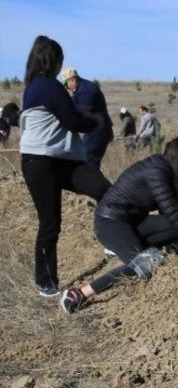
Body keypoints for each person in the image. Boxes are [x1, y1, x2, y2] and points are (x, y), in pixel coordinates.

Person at [59, 136, 178, 312]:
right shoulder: (156, 171)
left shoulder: (166, 169)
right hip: (110, 223)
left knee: (177, 229)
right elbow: (172, 211)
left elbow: (169, 215)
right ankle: (78, 293)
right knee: (146, 262)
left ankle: (134, 246)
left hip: (132, 222)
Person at [18, 36, 112, 297]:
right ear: (52, 59)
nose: (61, 64)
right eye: (59, 59)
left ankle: (113, 239)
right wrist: (96, 121)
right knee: (50, 222)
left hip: (62, 160)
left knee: (103, 188)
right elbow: (72, 122)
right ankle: (46, 282)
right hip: (40, 162)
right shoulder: (48, 86)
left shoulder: (35, 86)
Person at [62, 67, 113, 168]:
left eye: (65, 84)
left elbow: (79, 111)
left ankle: (95, 183)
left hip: (98, 131)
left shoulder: (85, 91)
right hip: (95, 131)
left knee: (88, 161)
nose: (66, 88)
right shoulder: (82, 88)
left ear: (72, 80)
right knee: (85, 159)